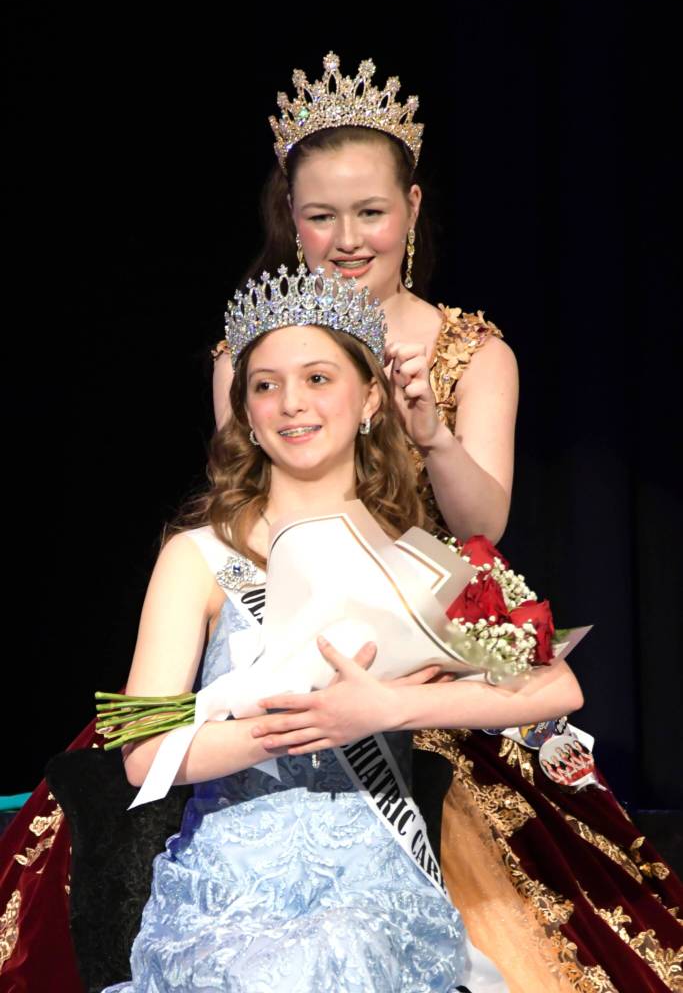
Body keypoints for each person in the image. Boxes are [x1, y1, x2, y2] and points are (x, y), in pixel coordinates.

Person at [211, 54, 683, 992]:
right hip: (289, 657)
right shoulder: (247, 357)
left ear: (413, 209)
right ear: (288, 220)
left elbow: (484, 521)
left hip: (429, 658)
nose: (347, 239)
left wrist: (428, 435)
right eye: (319, 216)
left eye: (370, 212)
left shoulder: (472, 351)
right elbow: (240, 525)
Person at [102, 268, 584, 992]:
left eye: (318, 378)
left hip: (378, 885)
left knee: (349, 950)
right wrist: (302, 722)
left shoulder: (415, 553)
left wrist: (389, 710)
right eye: (264, 385)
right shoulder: (199, 555)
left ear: (368, 400)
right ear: (246, 412)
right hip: (231, 893)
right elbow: (143, 755)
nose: (290, 403)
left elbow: (555, 687)